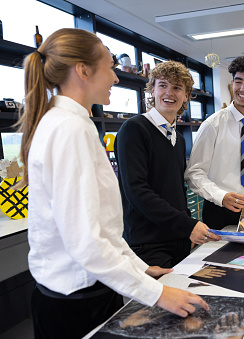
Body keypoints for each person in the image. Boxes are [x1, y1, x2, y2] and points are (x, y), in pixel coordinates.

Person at [18, 28, 208, 338]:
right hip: (75, 302)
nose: (116, 78)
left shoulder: (70, 123)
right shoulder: (69, 129)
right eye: (109, 67)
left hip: (87, 290)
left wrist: (138, 268)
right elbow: (85, 241)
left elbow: (102, 227)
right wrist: (157, 293)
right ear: (83, 71)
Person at [115, 60, 220, 268]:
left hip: (178, 240)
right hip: (149, 245)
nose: (169, 93)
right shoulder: (134, 130)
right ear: (152, 90)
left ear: (186, 96)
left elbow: (176, 191)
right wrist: (187, 225)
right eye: (162, 85)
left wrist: (186, 231)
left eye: (177, 87)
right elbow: (137, 191)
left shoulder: (178, 139)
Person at [185, 55, 244, 230]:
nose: (243, 88)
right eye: (238, 81)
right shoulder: (212, 125)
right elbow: (194, 173)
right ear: (232, 83)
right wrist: (221, 196)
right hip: (219, 208)